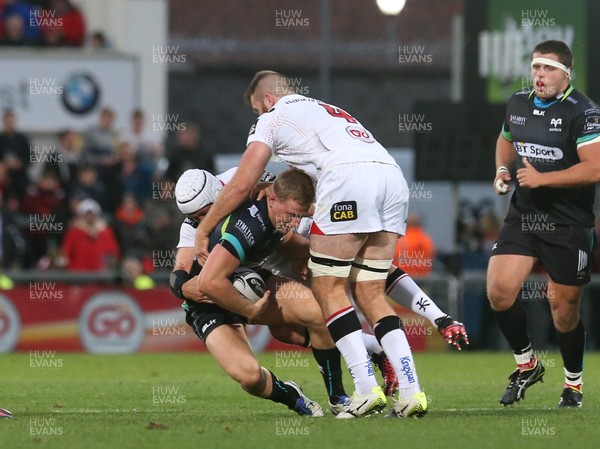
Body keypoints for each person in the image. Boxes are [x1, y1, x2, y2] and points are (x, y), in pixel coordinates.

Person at [195, 71, 428, 419]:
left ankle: (366, 390)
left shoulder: (272, 118)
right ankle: (412, 392)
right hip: (391, 177)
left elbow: (241, 183)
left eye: (257, 110)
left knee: (327, 288)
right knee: (370, 291)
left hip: (349, 178)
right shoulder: (325, 109)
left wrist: (204, 230)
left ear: (268, 100)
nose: (258, 118)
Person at [489, 40, 600, 408]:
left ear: (566, 74)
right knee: (499, 290)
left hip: (569, 223)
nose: (539, 75)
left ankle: (573, 385)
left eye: (548, 69)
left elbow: (595, 168)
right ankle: (527, 366)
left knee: (563, 310)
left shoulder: (584, 112)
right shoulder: (518, 103)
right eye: (536, 67)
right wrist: (503, 170)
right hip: (524, 216)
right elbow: (506, 140)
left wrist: (543, 180)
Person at [174, 168, 327, 417]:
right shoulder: (191, 228)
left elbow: (291, 202)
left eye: (203, 213)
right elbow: (178, 276)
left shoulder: (249, 187)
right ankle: (291, 395)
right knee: (249, 376)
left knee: (317, 315)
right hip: (211, 304)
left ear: (219, 196)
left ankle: (357, 367)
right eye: (194, 217)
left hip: (253, 282)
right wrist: (183, 287)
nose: (200, 220)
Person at [393, 213, 435, 278]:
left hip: (402, 277)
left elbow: (393, 256)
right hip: (422, 277)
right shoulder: (427, 239)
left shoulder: (401, 239)